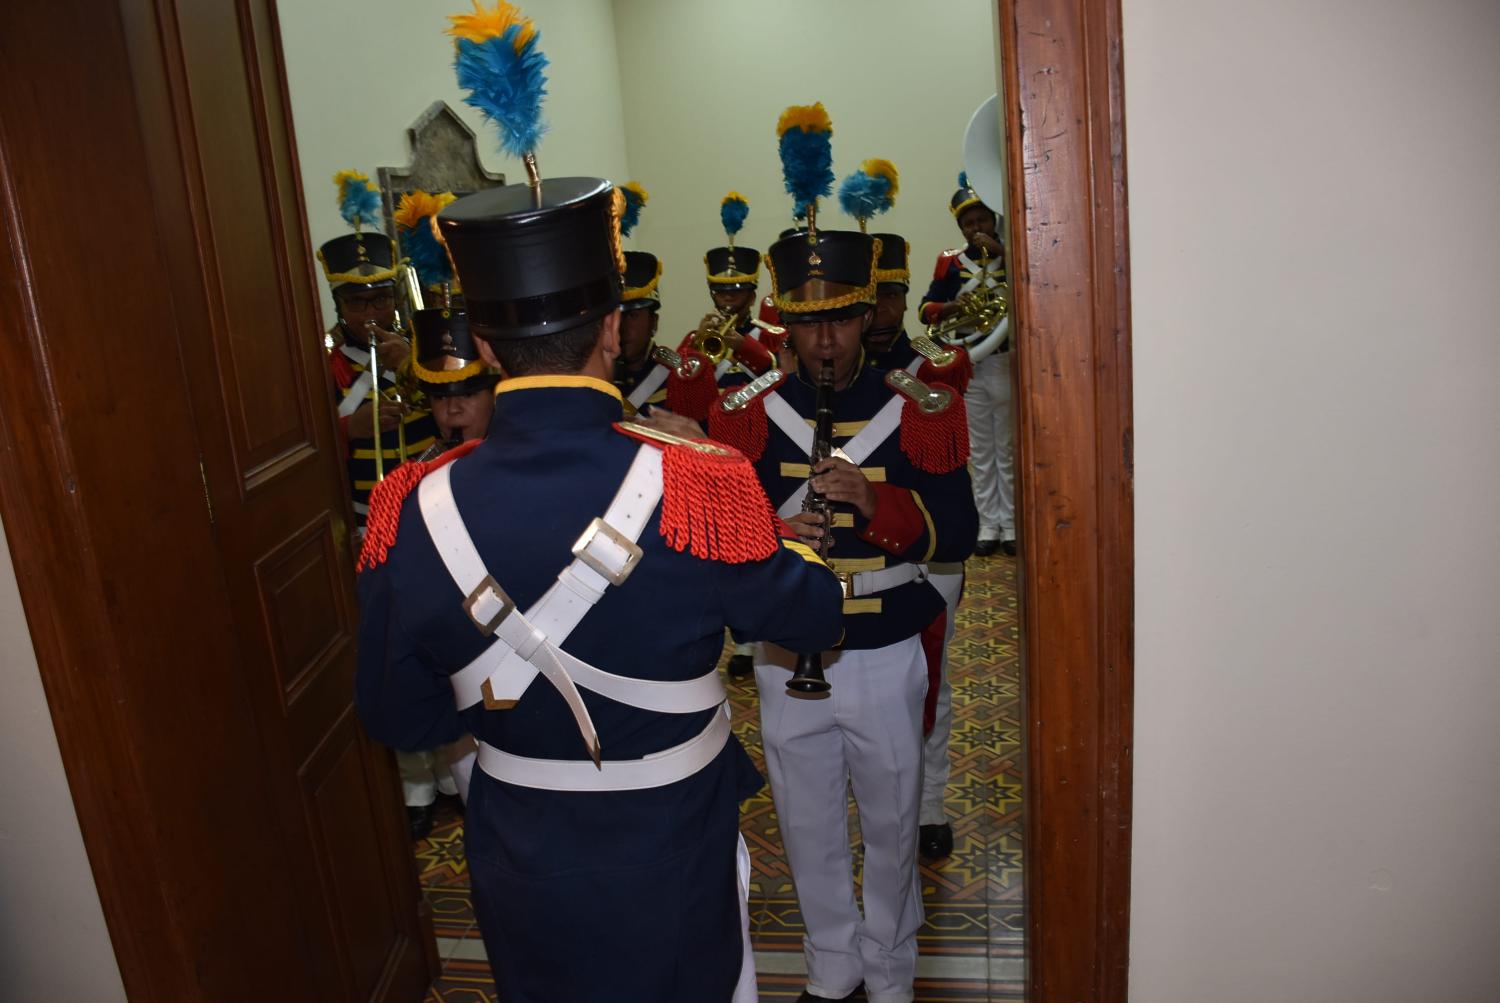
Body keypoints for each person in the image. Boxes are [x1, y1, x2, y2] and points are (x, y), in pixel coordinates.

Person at [355, 16, 845, 996]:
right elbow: (814, 614)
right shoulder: (700, 480)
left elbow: (397, 712)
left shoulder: (405, 504)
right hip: (673, 842)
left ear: (484, 346)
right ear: (617, 329)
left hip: (515, 853)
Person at [708, 224, 977, 1002]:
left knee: (894, 827)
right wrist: (774, 533)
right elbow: (724, 544)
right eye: (806, 322)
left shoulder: (921, 407)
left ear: (869, 316)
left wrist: (875, 499)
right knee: (807, 823)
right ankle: (833, 965)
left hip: (887, 646)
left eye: (842, 319)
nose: (824, 340)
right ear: (782, 323)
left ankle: (890, 967)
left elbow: (958, 530)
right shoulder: (747, 415)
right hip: (790, 658)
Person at [386, 306, 500, 837]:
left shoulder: (526, 464)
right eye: (437, 396)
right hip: (461, 667)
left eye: (468, 392)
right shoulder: (413, 480)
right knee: (484, 807)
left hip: (538, 660)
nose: (452, 407)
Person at [319, 170, 437, 531]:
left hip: (434, 506)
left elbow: (464, 415)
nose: (372, 314)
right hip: (365, 519)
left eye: (381, 299)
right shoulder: (324, 362)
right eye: (358, 304)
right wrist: (349, 429)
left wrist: (410, 366)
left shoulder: (429, 348)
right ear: (340, 307)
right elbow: (310, 450)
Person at [919, 174, 1015, 556]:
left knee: (1007, 448)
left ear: (994, 220)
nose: (977, 229)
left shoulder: (1014, 255)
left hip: (1007, 361)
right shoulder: (950, 262)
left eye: (983, 221)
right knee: (980, 448)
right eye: (969, 224)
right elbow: (926, 309)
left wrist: (1004, 254)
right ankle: (987, 524)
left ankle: (1010, 523)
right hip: (970, 363)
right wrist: (955, 307)